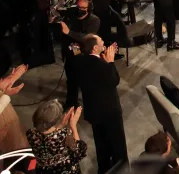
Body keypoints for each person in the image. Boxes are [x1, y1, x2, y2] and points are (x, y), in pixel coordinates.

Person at [72, 36, 125, 173]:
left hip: (93, 112)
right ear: (95, 48)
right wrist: (110, 62)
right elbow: (114, 80)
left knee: (101, 145)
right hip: (110, 112)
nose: (103, 42)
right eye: (101, 41)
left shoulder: (79, 60)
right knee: (118, 146)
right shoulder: (103, 66)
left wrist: (103, 59)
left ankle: (104, 168)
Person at [26, 101, 87, 174]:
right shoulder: (63, 135)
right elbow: (79, 153)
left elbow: (48, 135)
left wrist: (61, 125)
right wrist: (73, 126)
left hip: (42, 171)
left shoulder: (31, 133)